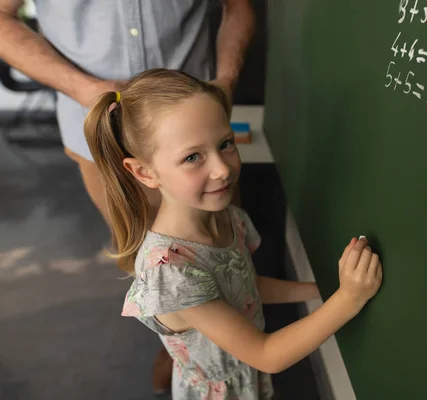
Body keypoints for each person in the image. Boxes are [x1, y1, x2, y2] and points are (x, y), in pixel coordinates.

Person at [0, 0, 255, 393]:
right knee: (146, 259)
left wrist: (226, 80)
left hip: (196, 130)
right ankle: (179, 344)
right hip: (96, 131)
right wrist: (85, 90)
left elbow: (238, 7)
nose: (225, 168)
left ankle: (227, 331)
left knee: (221, 248)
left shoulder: (214, 166)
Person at [82, 68, 383, 400]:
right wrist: (348, 299)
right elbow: (267, 354)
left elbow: (244, 288)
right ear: (144, 172)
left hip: (248, 382)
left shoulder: (228, 218)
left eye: (225, 144)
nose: (222, 168)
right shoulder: (170, 272)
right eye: (193, 157)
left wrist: (319, 290)